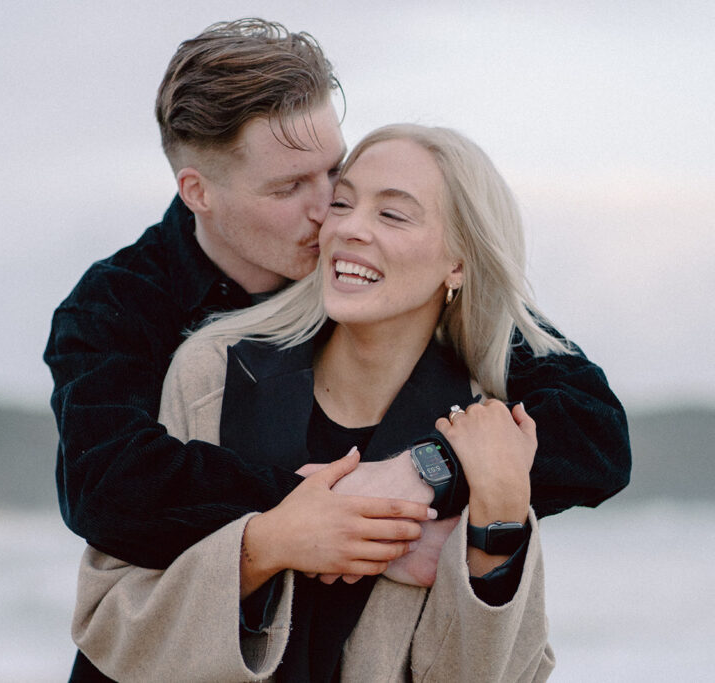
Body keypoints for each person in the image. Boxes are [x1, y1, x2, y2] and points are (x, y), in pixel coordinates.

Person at [44, 18, 630, 679]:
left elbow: (593, 428)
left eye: (334, 172)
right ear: (198, 193)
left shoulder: (395, 291)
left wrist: (429, 472)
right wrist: (329, 521)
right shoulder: (122, 308)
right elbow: (111, 487)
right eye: (291, 188)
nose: (333, 214)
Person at [73, 124, 559, 681]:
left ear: (459, 263)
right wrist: (265, 548)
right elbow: (110, 620)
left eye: (393, 215)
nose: (350, 228)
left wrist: (497, 523)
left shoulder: (487, 428)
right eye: (343, 203)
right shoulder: (212, 370)